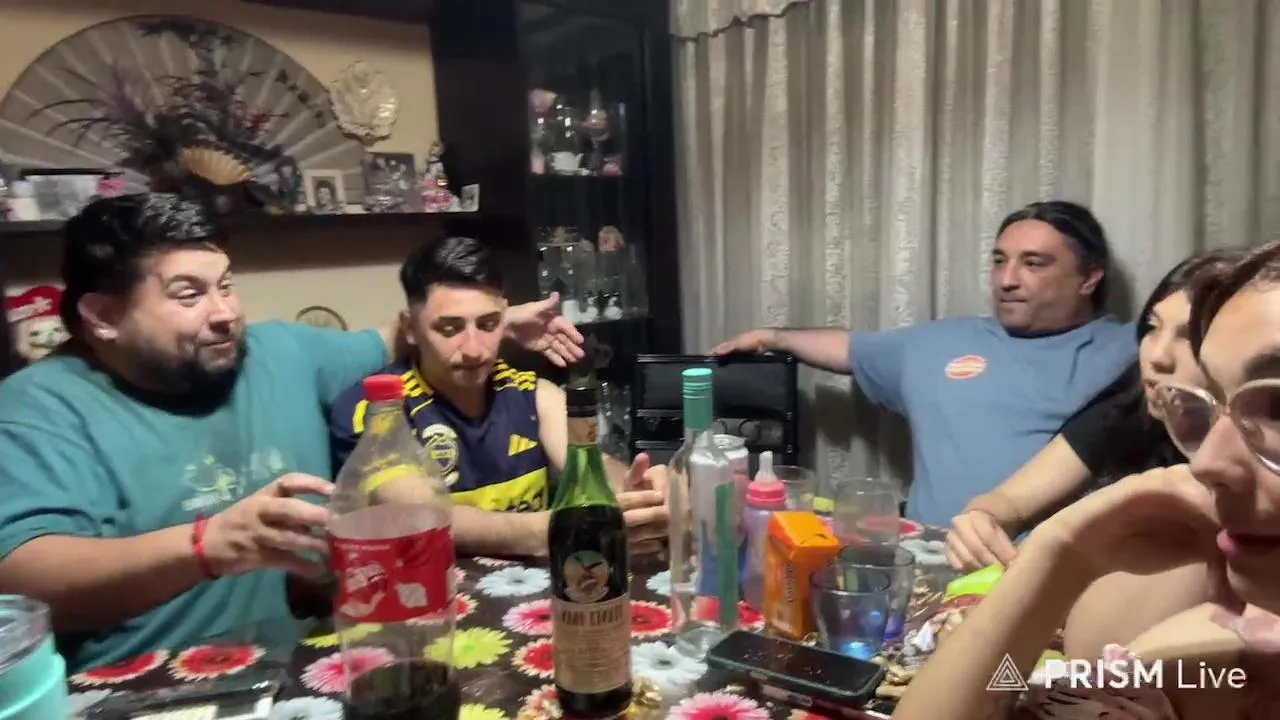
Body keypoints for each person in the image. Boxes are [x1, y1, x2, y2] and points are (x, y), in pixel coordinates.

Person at [0, 194, 585, 672]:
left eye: (226, 284)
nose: (225, 312)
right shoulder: (40, 406)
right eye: (190, 295)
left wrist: (499, 324)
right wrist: (207, 546)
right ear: (103, 317)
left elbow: (407, 334)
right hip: (146, 685)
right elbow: (20, 581)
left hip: (317, 662)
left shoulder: (281, 352)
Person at [893, 238, 1280, 720]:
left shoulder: (1216, 639)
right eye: (1152, 329)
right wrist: (1058, 554)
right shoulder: (1128, 419)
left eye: (1275, 406)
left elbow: (1087, 658)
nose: (1207, 465)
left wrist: (1056, 567)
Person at [713, 200, 1136, 526]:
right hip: (929, 561)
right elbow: (850, 349)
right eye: (999, 261)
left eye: (1033, 263)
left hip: (1045, 575)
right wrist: (773, 337)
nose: (1006, 280)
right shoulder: (940, 342)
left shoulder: (1131, 352)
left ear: (1089, 278)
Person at [329, 236, 668, 558]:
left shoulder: (535, 395)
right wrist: (560, 530)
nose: (474, 350)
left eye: (488, 324)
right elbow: (421, 513)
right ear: (410, 328)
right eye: (449, 329)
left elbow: (593, 466)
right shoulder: (376, 408)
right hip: (427, 591)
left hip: (539, 593)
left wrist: (636, 491)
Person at [945, 248, 1247, 571]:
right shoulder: (1129, 407)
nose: (1157, 356)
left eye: (1189, 337)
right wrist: (981, 520)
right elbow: (1008, 502)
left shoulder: (1257, 457)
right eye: (1153, 327)